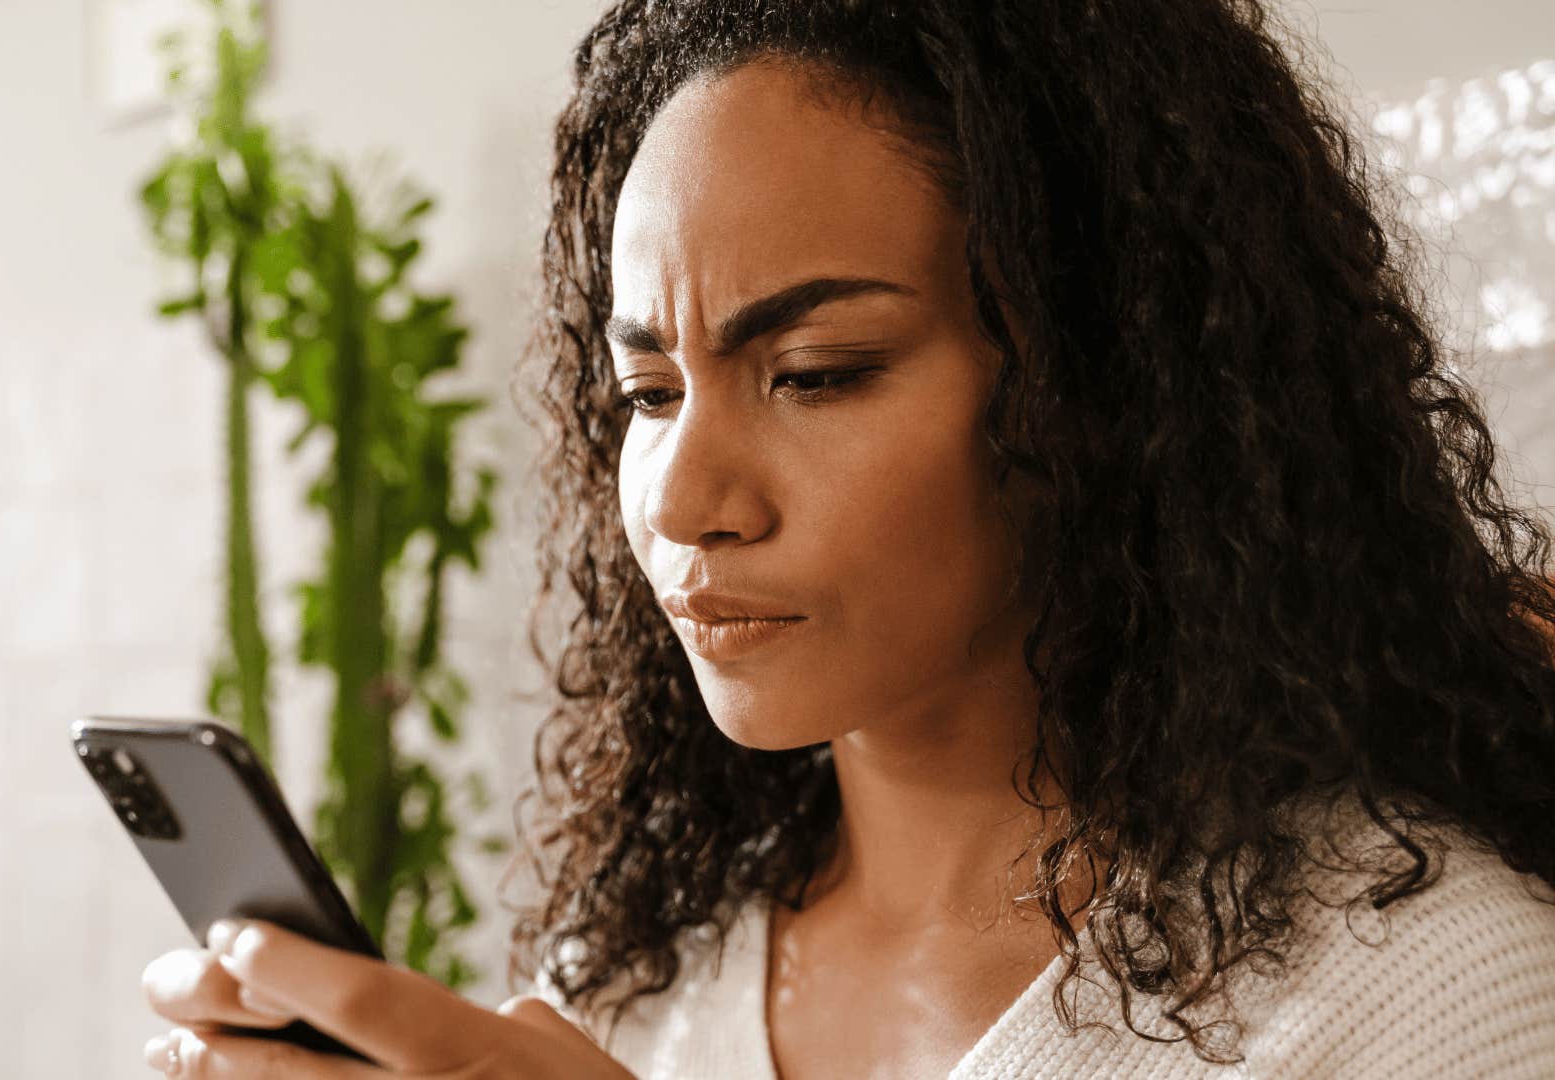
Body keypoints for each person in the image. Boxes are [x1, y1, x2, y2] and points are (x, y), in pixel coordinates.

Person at [133, 1, 1555, 1076]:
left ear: (1115, 384)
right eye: (645, 392)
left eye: (813, 372)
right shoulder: (636, 987)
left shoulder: (1427, 996)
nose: (687, 500)